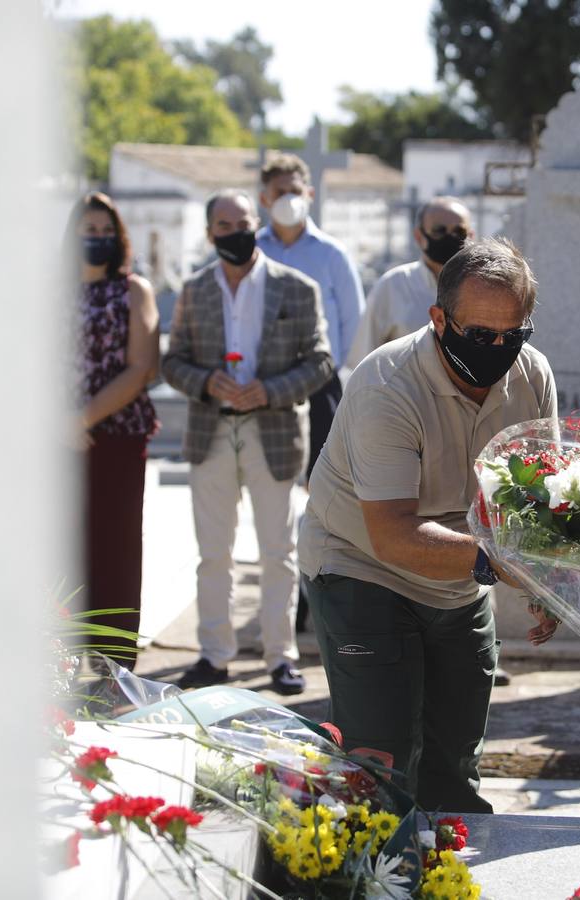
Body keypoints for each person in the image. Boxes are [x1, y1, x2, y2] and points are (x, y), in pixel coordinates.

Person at [299, 238, 556, 812]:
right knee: (382, 758)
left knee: (454, 761)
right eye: (478, 335)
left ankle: (450, 874)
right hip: (360, 562)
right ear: (439, 319)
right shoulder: (387, 386)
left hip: (461, 572)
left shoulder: (533, 375)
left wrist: (548, 577)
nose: (496, 349)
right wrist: (504, 563)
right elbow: (392, 534)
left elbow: (537, 490)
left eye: (511, 336)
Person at [162, 190, 334, 694]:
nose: (233, 231)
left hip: (273, 430)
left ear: (255, 225)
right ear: (210, 231)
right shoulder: (194, 290)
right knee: (213, 552)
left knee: (278, 551)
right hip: (211, 429)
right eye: (223, 224)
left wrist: (269, 390)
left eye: (242, 222)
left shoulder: (297, 289)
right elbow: (173, 362)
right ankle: (214, 656)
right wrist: (206, 381)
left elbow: (321, 361)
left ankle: (280, 657)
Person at [72, 191, 160, 667]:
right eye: (90, 232)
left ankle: (110, 666)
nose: (99, 240)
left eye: (108, 233)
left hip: (117, 438)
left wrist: (81, 419)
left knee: (115, 549)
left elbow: (141, 366)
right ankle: (59, 660)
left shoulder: (134, 291)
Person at [255, 152, 366, 480]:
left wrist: (332, 367)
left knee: (324, 474)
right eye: (279, 193)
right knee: (268, 477)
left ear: (310, 194)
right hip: (266, 378)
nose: (288, 200)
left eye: (295, 191)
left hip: (320, 378)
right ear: (264, 198)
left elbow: (353, 318)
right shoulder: (252, 252)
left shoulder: (332, 254)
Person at [347, 196, 474, 368]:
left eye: (459, 232)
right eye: (439, 231)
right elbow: (364, 359)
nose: (449, 238)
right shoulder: (393, 286)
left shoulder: (484, 289)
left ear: (471, 236)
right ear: (418, 236)